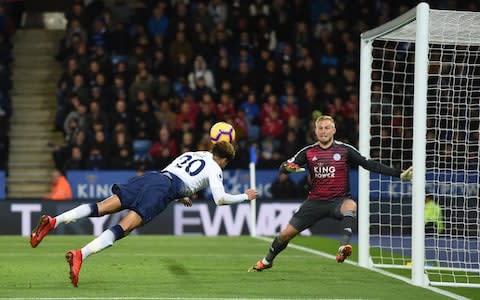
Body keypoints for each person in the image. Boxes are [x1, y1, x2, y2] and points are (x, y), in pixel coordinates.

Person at [30, 141, 258, 287]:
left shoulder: (194, 153)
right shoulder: (216, 168)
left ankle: (54, 221)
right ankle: (82, 254)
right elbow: (219, 199)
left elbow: (177, 175)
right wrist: (244, 196)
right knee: (126, 227)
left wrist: (182, 195)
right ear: (225, 160)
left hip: (152, 177)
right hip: (162, 190)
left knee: (102, 207)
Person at [248, 115, 413, 272]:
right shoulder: (308, 152)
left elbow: (369, 164)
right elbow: (284, 167)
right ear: (315, 131)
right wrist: (289, 168)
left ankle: (343, 246)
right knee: (285, 234)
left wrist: (398, 174)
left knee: (351, 205)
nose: (323, 131)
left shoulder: (344, 150)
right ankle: (267, 261)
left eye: (327, 128)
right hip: (314, 202)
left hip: (338, 201)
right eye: (320, 128)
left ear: (334, 130)